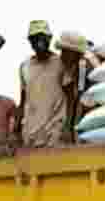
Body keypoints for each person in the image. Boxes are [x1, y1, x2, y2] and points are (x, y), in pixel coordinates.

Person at [17, 19, 71, 147]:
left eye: (42, 37)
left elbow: (71, 97)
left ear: (50, 38)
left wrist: (68, 126)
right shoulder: (25, 66)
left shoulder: (61, 63)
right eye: (35, 38)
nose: (39, 41)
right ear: (30, 41)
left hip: (55, 130)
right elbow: (23, 100)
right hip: (31, 132)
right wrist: (16, 129)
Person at [55, 31, 97, 142]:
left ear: (75, 53)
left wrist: (69, 128)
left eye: (66, 52)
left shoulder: (83, 66)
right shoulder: (78, 65)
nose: (62, 56)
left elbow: (79, 98)